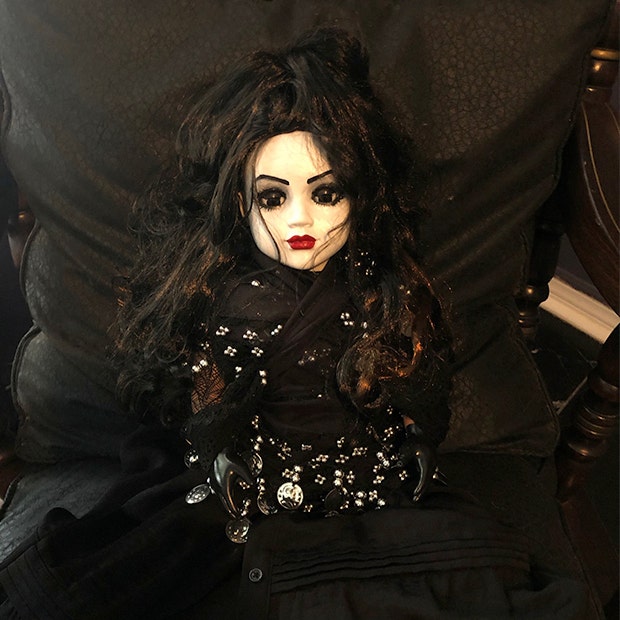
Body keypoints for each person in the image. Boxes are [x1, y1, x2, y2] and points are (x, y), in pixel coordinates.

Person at [0, 28, 590, 620]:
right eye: (273, 198)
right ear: (240, 203)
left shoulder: (383, 290)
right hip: (260, 490)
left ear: (360, 197)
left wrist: (412, 436)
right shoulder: (227, 302)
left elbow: (413, 385)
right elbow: (207, 402)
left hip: (371, 486)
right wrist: (220, 455)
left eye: (326, 193)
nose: (300, 220)